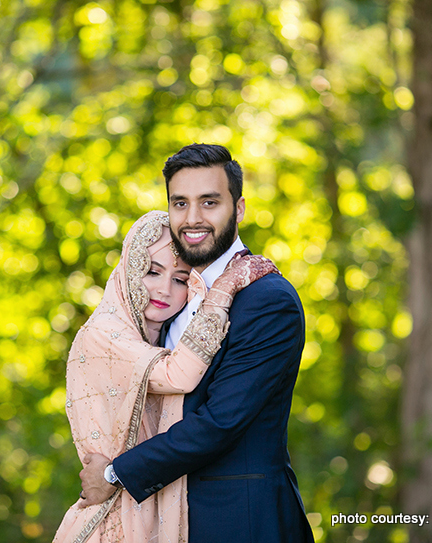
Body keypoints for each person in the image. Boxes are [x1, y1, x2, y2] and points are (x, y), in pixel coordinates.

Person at [79, 144, 316, 542]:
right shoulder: (170, 297)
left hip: (241, 519)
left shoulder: (267, 300)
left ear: (238, 209)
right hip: (164, 519)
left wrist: (115, 474)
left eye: (209, 202)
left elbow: (220, 423)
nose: (192, 219)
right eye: (180, 203)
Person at [53, 210, 277, 543]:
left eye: (180, 279)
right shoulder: (104, 334)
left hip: (151, 504)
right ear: (130, 268)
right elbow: (179, 376)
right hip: (115, 518)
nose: (164, 289)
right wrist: (225, 288)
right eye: (152, 272)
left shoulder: (158, 335)